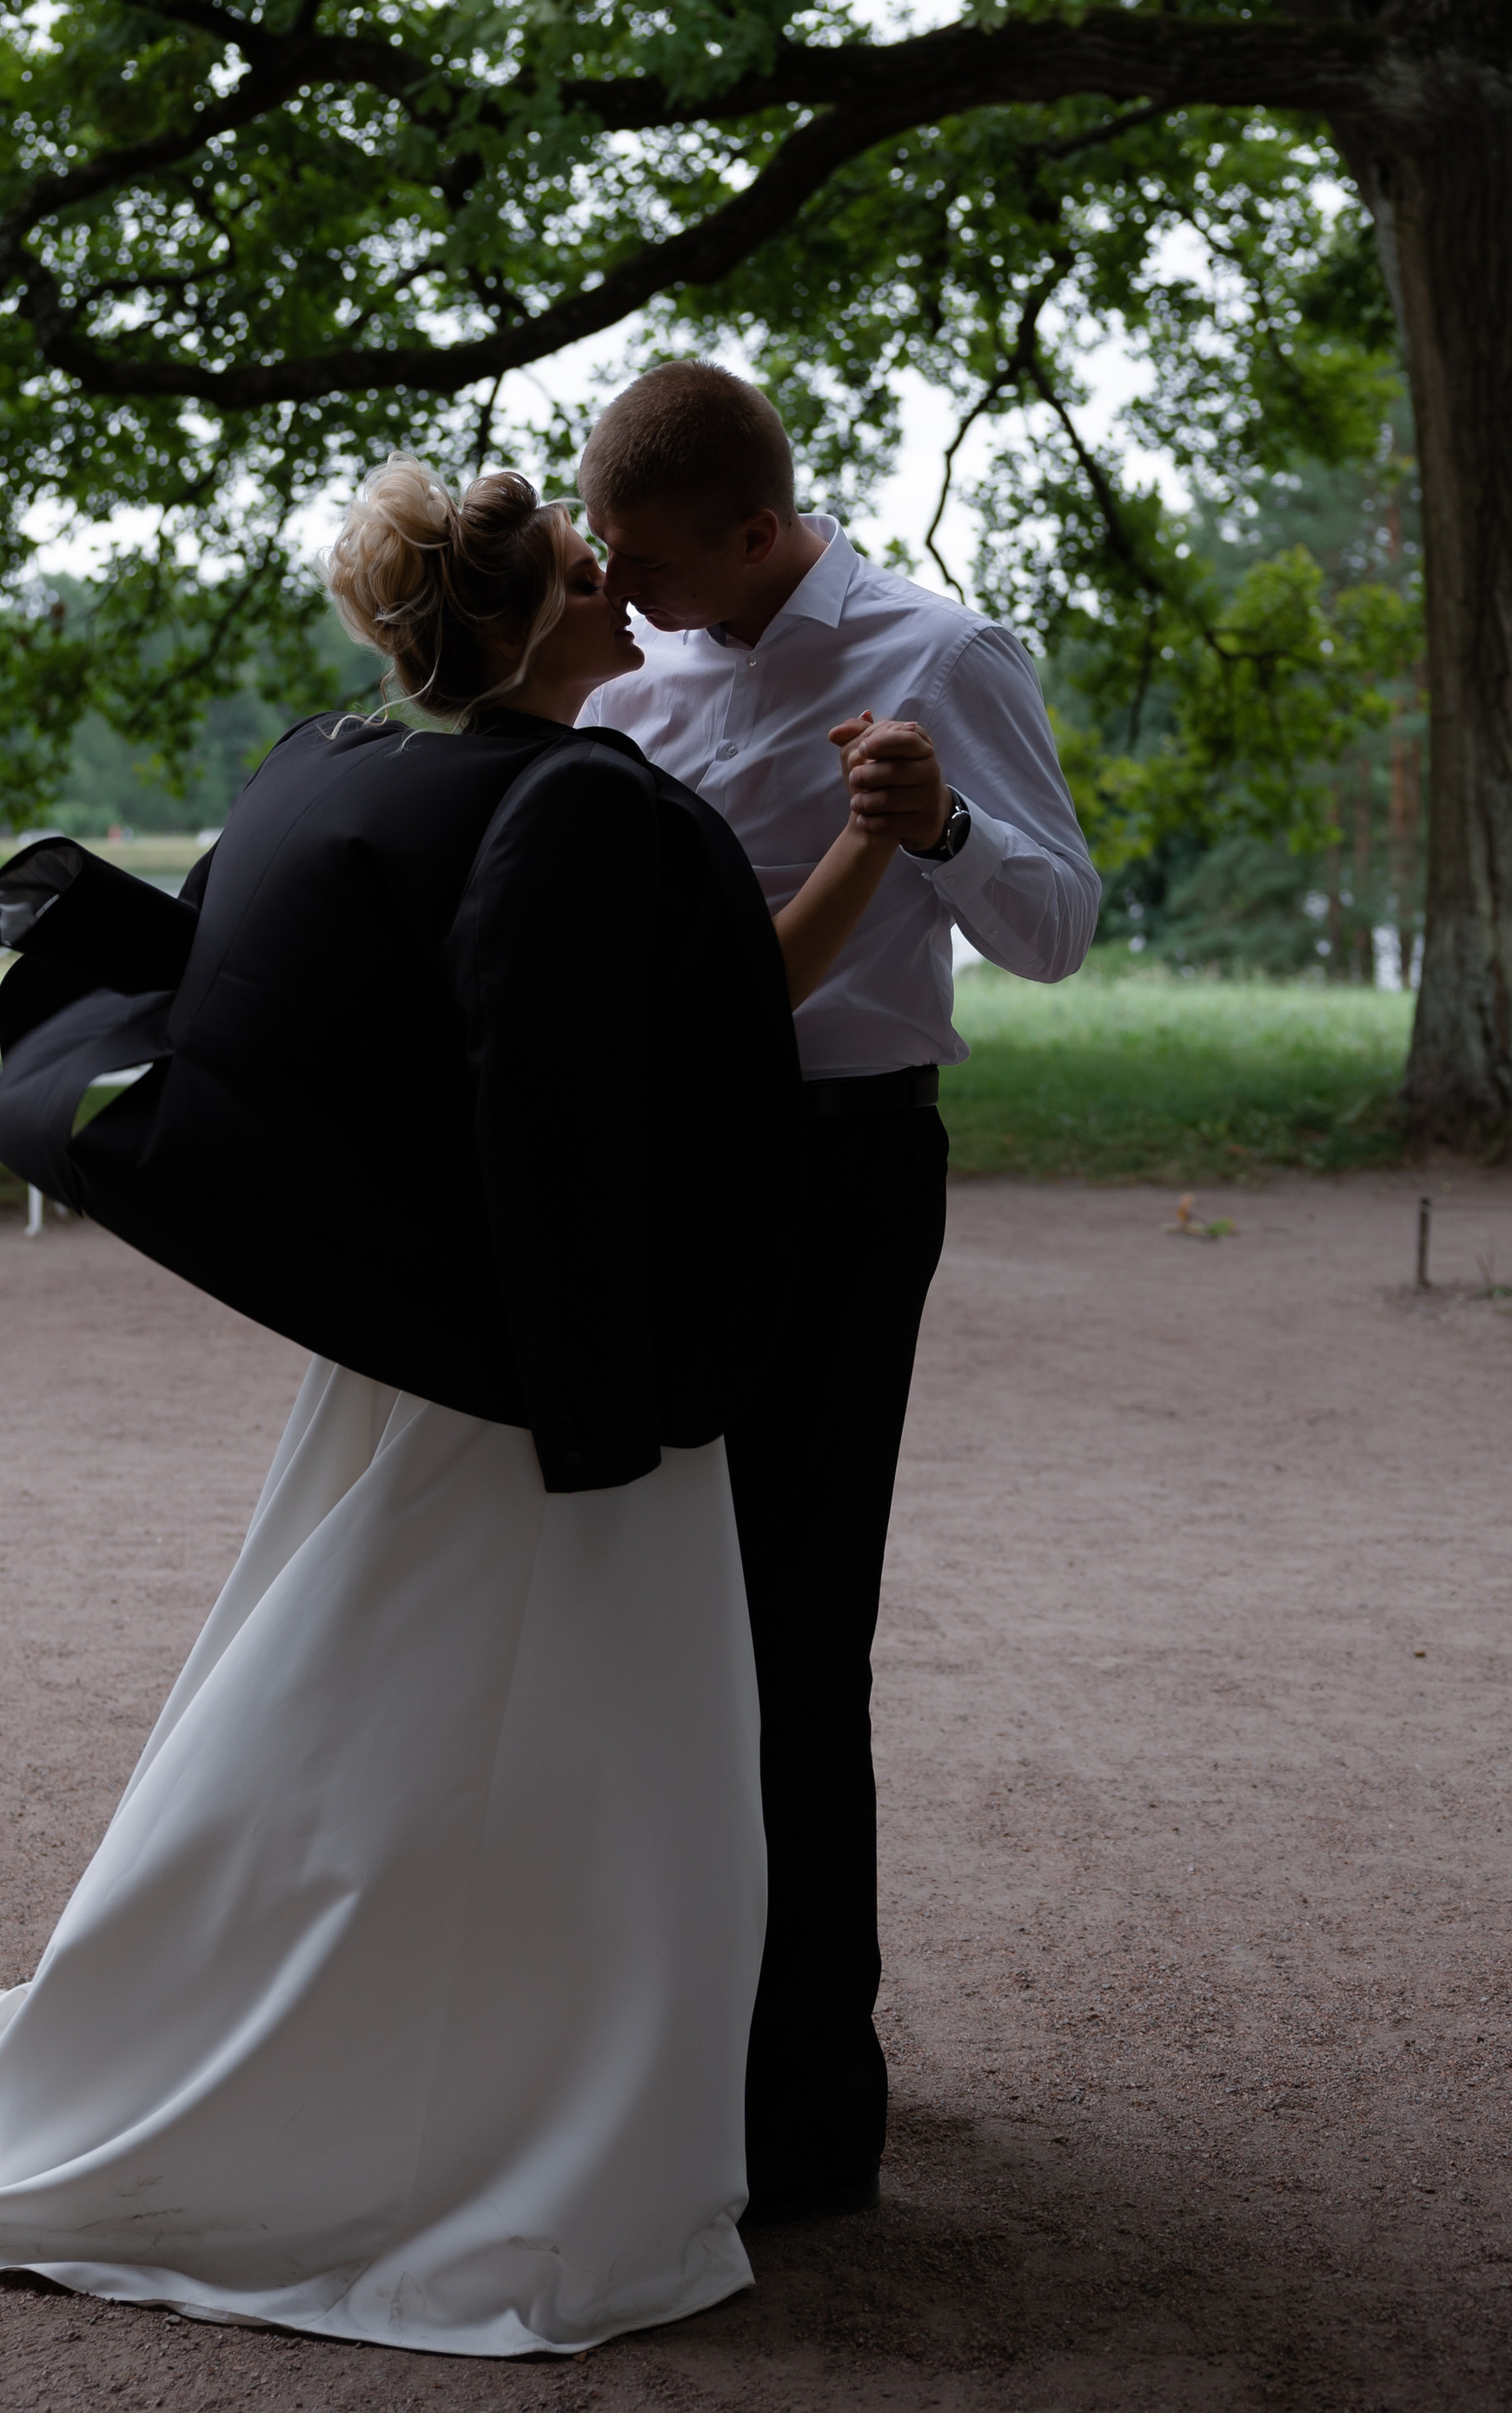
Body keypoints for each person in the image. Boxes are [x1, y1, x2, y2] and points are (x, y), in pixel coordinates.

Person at [0, 462, 923, 2360]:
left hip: (417, 1340)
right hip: (547, 1360)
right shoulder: (577, 800)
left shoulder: (335, 763)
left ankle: (428, 2054)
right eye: (595, 575)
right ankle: (517, 2114)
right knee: (577, 1748)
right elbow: (605, 1095)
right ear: (535, 622)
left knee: (386, 1712)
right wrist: (614, 1397)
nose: (624, 596)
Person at [575, 362, 1100, 2225]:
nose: (613, 588)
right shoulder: (625, 674)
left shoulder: (939, 657)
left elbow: (1059, 928)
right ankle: (655, 2055)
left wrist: (944, 830)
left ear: (755, 529)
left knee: (798, 1635)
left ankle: (805, 2112)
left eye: (642, 559)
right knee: (649, 1623)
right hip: (654, 1178)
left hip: (839, 1176)